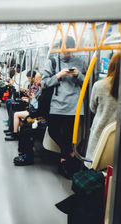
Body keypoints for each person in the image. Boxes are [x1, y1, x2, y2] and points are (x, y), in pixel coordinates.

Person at [42, 36, 86, 178]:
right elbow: (44, 83)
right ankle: (70, 154)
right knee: (53, 131)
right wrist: (58, 75)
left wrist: (78, 75)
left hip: (74, 106)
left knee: (68, 136)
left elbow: (86, 82)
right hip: (56, 105)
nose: (66, 54)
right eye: (64, 51)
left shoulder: (80, 62)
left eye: (69, 51)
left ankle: (64, 164)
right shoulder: (52, 62)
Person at [85, 52, 120, 165]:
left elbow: (92, 108)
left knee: (95, 164)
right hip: (120, 136)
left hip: (100, 133)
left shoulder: (99, 85)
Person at [5, 73, 42, 141]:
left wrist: (30, 99)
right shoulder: (38, 89)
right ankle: (13, 130)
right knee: (11, 105)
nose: (35, 81)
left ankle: (15, 133)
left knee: (15, 112)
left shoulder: (41, 90)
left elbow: (37, 105)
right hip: (32, 107)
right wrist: (29, 98)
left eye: (37, 79)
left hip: (35, 111)